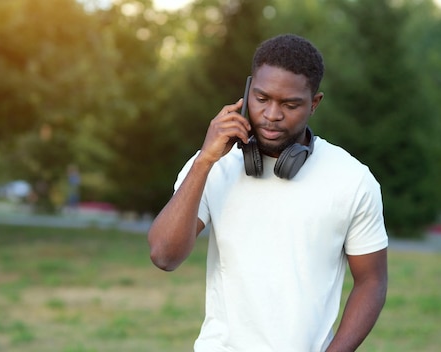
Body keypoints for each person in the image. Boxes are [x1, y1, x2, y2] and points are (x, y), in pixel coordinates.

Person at [148, 34, 388, 352]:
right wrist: (205, 160)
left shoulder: (352, 180)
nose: (272, 115)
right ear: (248, 92)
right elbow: (164, 255)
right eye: (261, 99)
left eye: (289, 104)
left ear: (314, 103)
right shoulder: (213, 165)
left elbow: (371, 281)